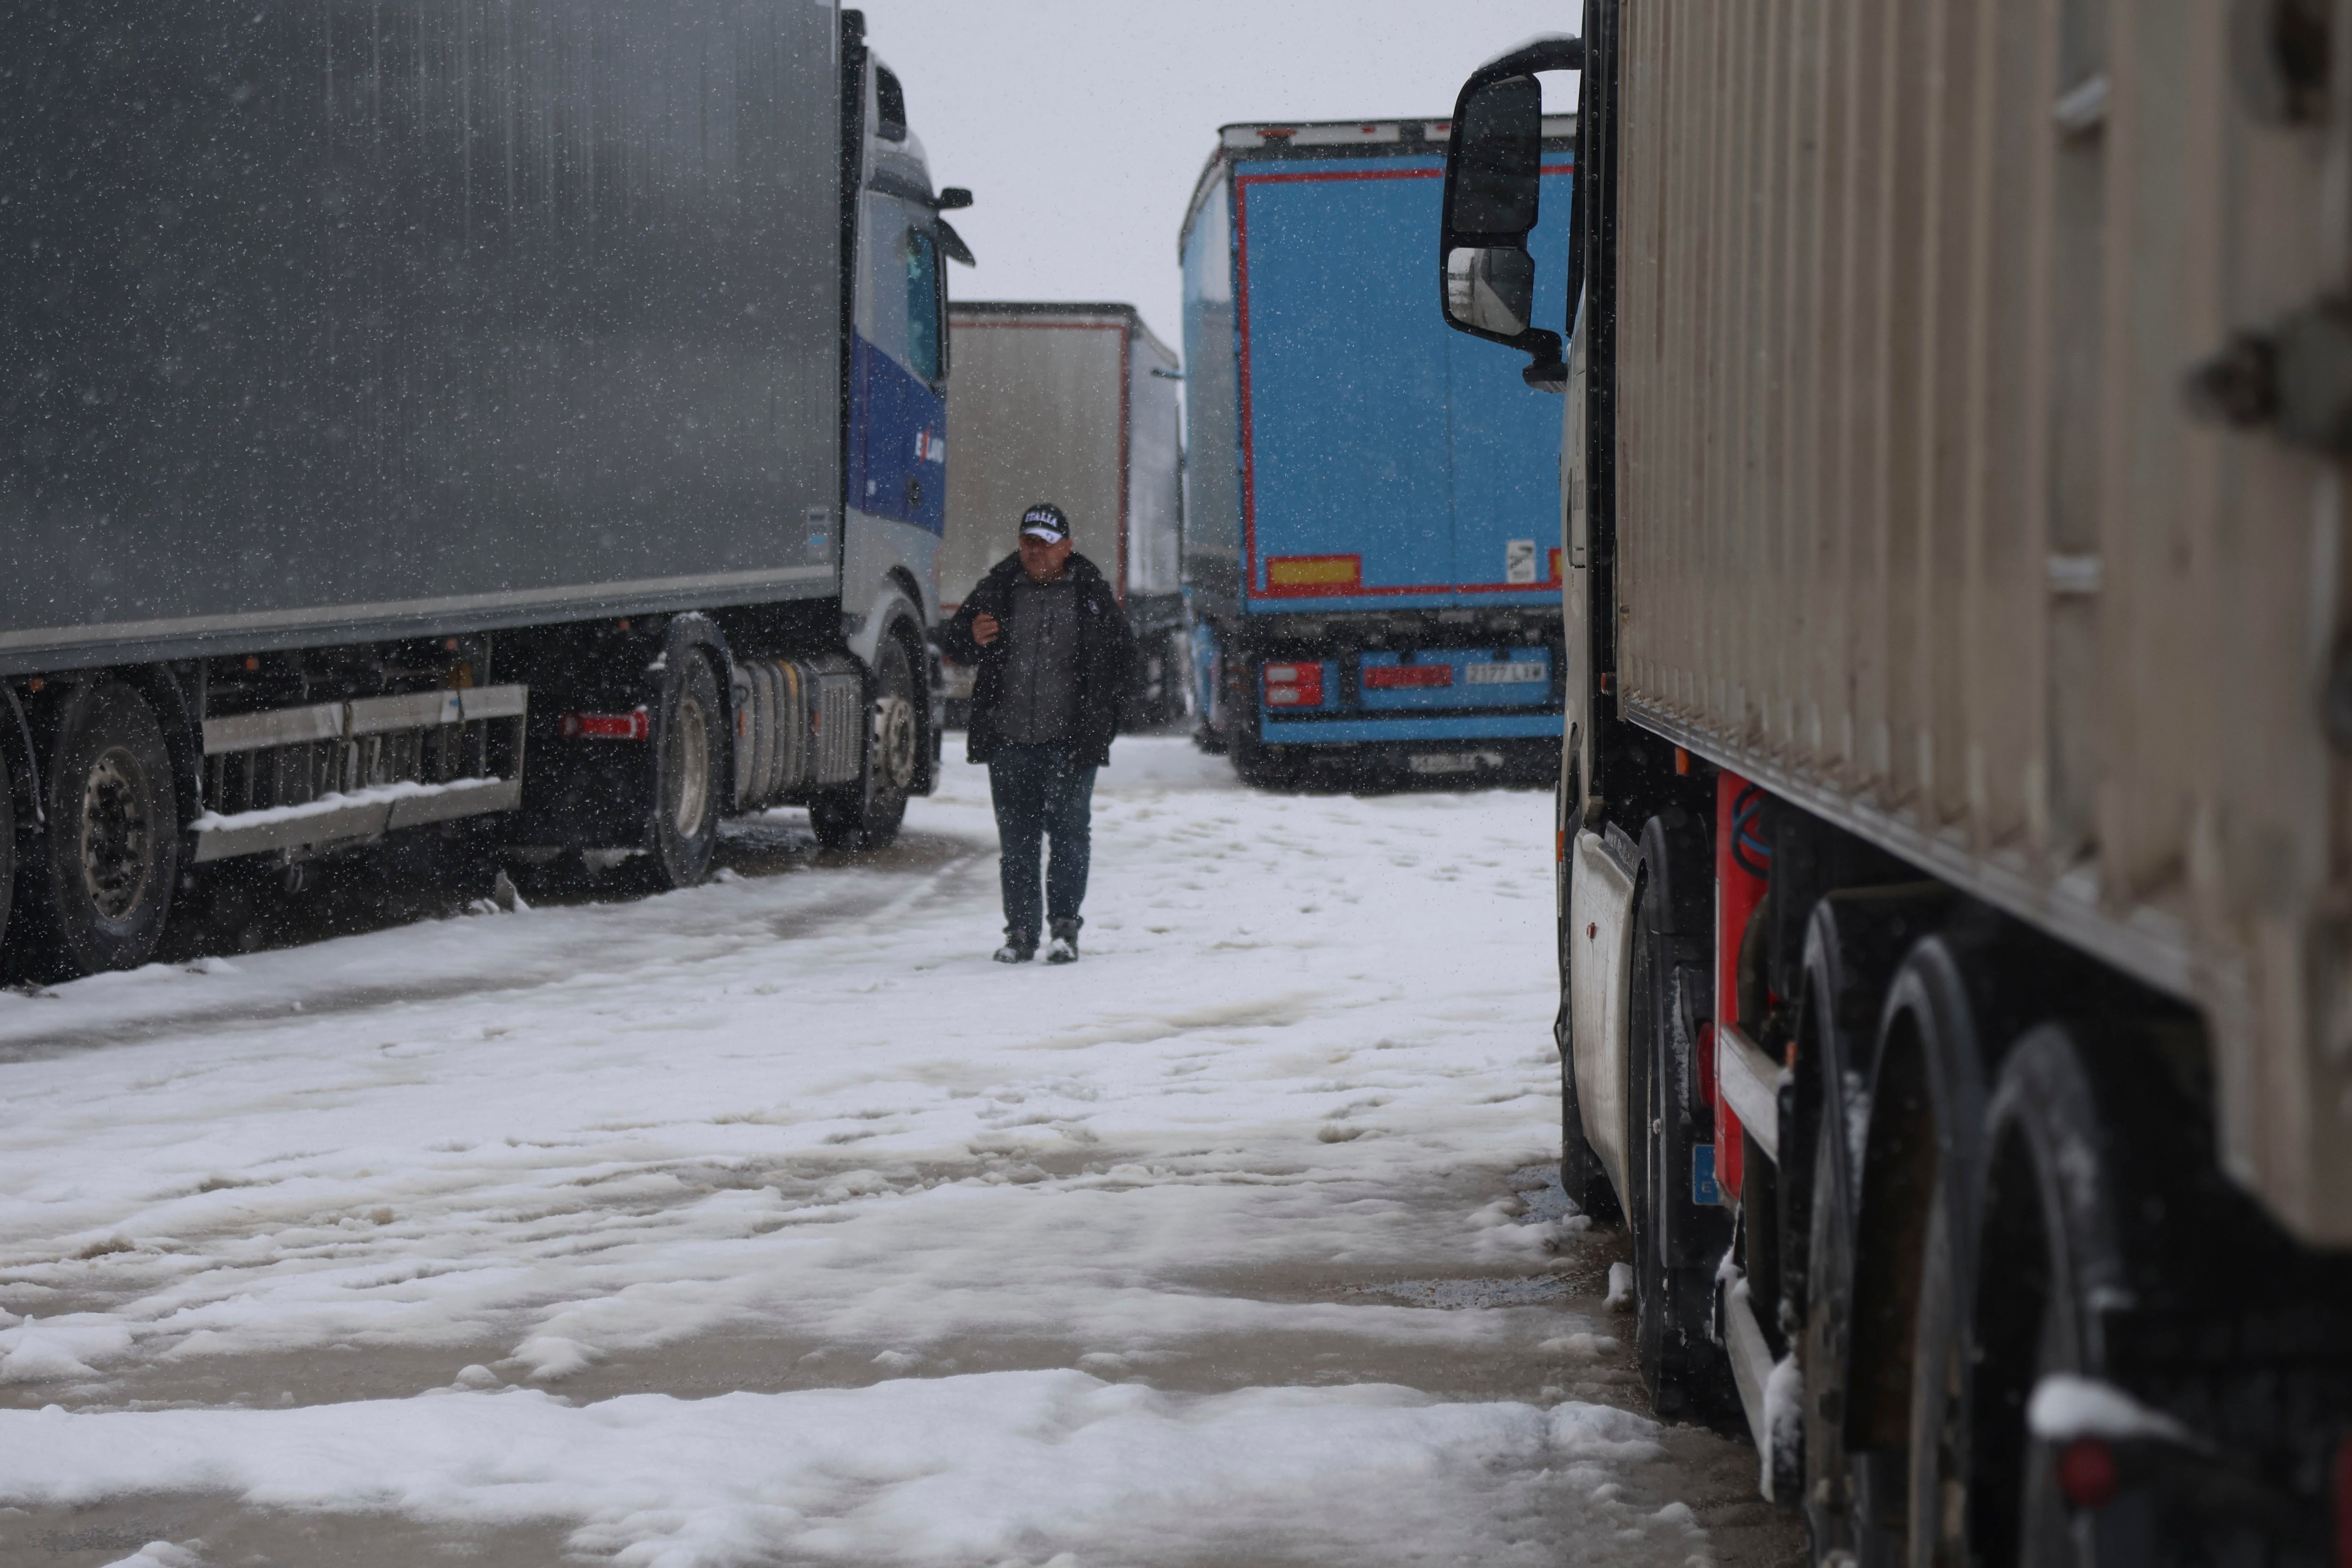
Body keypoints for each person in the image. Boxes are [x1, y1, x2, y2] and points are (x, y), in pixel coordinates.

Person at [938, 502, 1135, 964]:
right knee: (1017, 846)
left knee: (1068, 838)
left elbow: (1125, 661)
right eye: (1028, 542)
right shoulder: (999, 589)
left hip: (1069, 745)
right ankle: (1020, 934)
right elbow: (954, 645)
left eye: (1045, 544)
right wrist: (971, 635)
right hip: (1009, 742)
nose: (1035, 552)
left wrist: (1101, 727)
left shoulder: (1090, 595)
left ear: (1066, 547)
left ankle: (1064, 930)